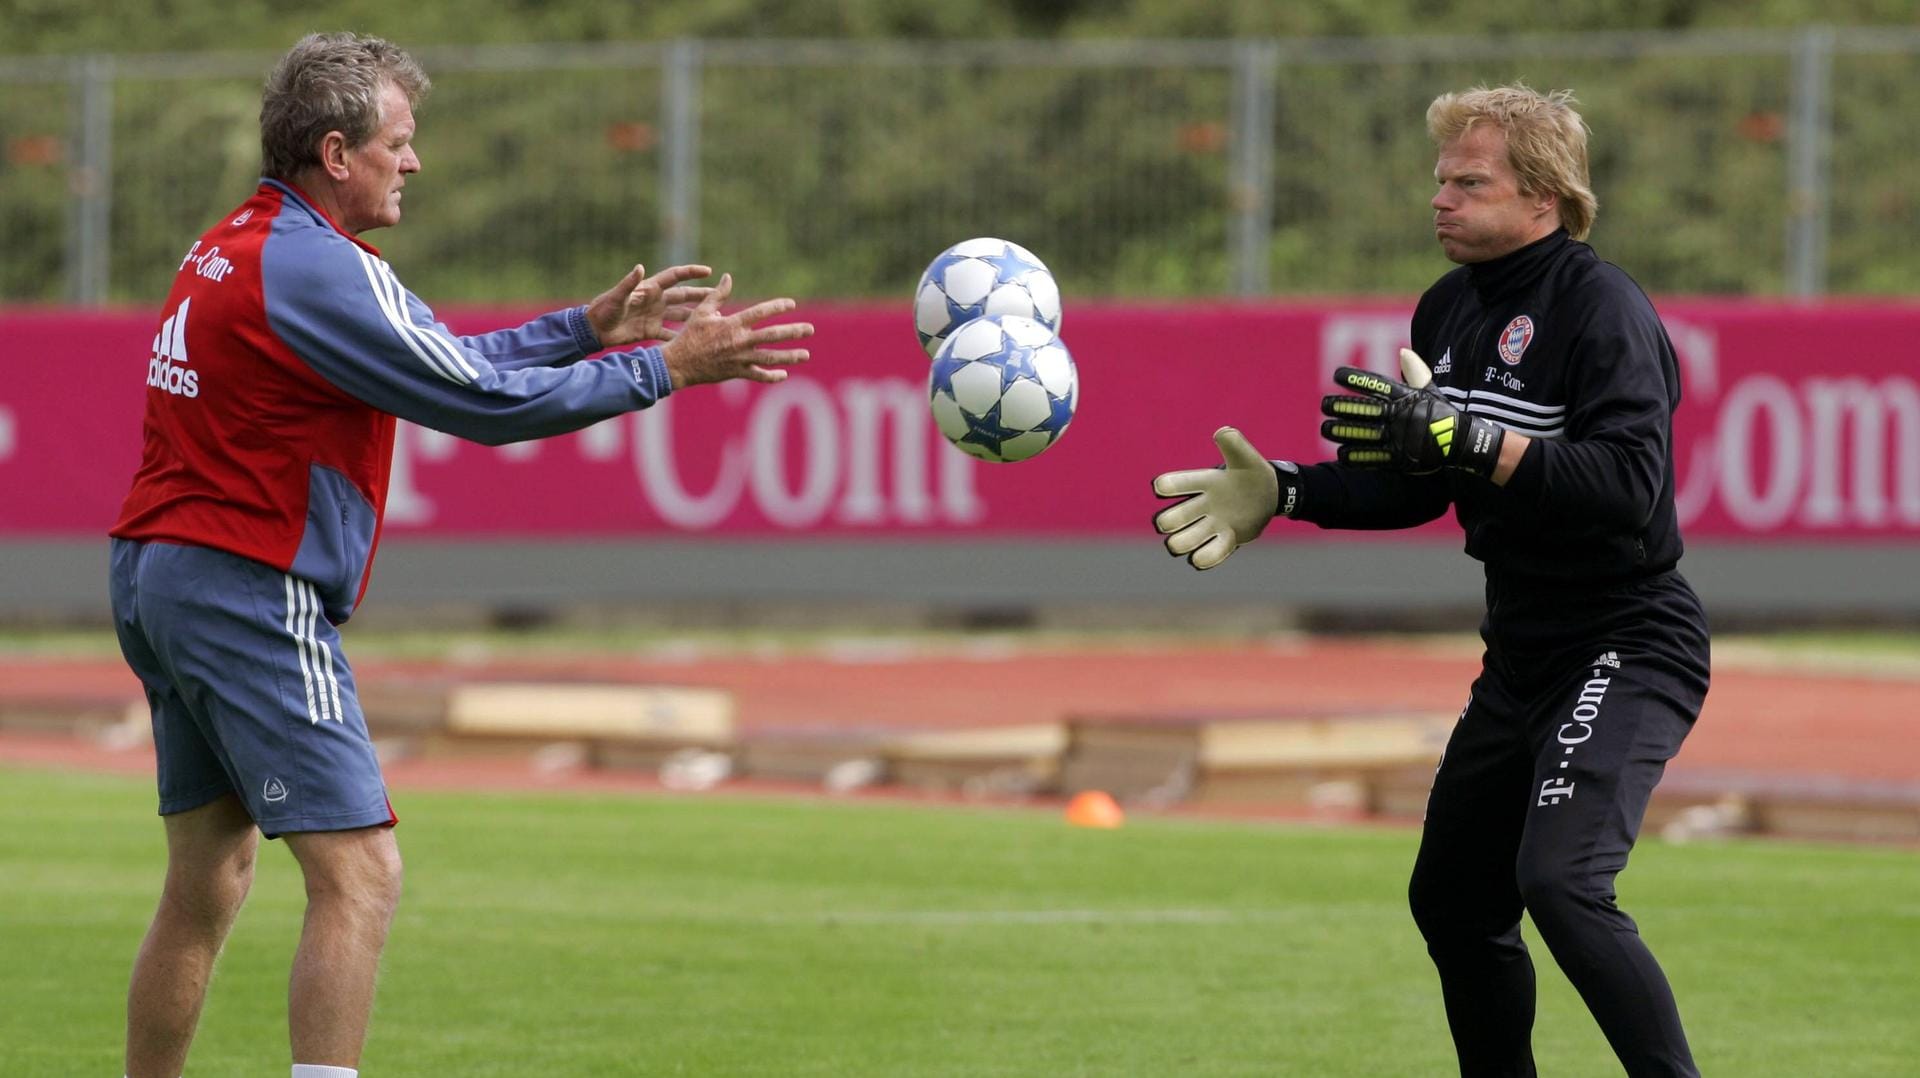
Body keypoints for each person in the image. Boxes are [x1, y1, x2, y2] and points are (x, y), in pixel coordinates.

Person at [108, 32, 812, 1078]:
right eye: (401, 140)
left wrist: (584, 327)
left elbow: (447, 360)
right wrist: (665, 368)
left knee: (205, 882)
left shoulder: (244, 242)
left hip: (160, 573)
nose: (415, 160)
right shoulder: (318, 265)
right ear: (337, 153)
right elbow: (481, 405)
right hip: (245, 584)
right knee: (361, 874)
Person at [1152, 84, 1710, 1076]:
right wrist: (1283, 490)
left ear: (1544, 195)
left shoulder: (1601, 306)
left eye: (1469, 181)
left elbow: (1630, 485)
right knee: (1454, 899)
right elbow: (1416, 485)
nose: (1441, 199)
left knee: (1562, 882)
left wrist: (1462, 432)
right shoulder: (1448, 308)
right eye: (1438, 180)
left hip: (1626, 639)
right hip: (1523, 656)